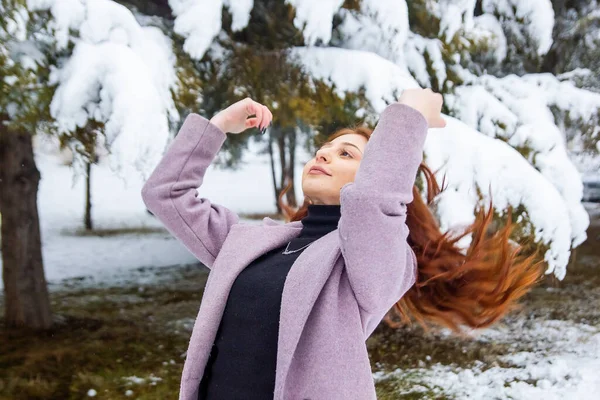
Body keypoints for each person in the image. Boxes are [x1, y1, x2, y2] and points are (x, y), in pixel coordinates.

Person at [141, 88, 543, 400]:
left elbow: (372, 202)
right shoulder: (250, 243)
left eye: (346, 153)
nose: (324, 155)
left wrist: (410, 111)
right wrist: (219, 126)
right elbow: (167, 195)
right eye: (323, 149)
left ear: (373, 173)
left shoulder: (373, 264)